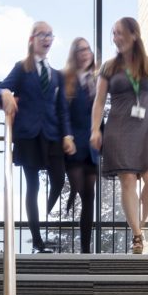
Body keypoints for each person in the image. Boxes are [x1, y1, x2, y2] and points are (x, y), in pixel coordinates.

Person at [90, 17, 148, 254]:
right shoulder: (108, 67)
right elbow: (99, 101)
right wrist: (95, 129)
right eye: (113, 33)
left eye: (119, 33)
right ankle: (137, 235)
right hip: (119, 128)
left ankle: (140, 225)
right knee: (127, 180)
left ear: (134, 34)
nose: (115, 38)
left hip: (146, 129)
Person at [0, 22, 75, 253]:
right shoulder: (22, 68)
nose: (47, 38)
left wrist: (67, 134)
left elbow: (62, 109)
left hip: (51, 134)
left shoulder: (56, 74)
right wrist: (6, 94)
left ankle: (48, 211)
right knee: (32, 187)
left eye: (51, 34)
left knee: (59, 179)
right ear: (32, 39)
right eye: (43, 34)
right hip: (28, 135)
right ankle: (38, 240)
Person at [62, 37, 100, 254]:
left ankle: (86, 249)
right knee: (77, 186)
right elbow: (63, 113)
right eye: (80, 50)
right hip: (73, 145)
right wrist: (66, 137)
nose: (85, 53)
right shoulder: (67, 80)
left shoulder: (98, 80)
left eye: (88, 49)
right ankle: (69, 196)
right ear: (74, 55)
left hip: (92, 146)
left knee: (89, 196)